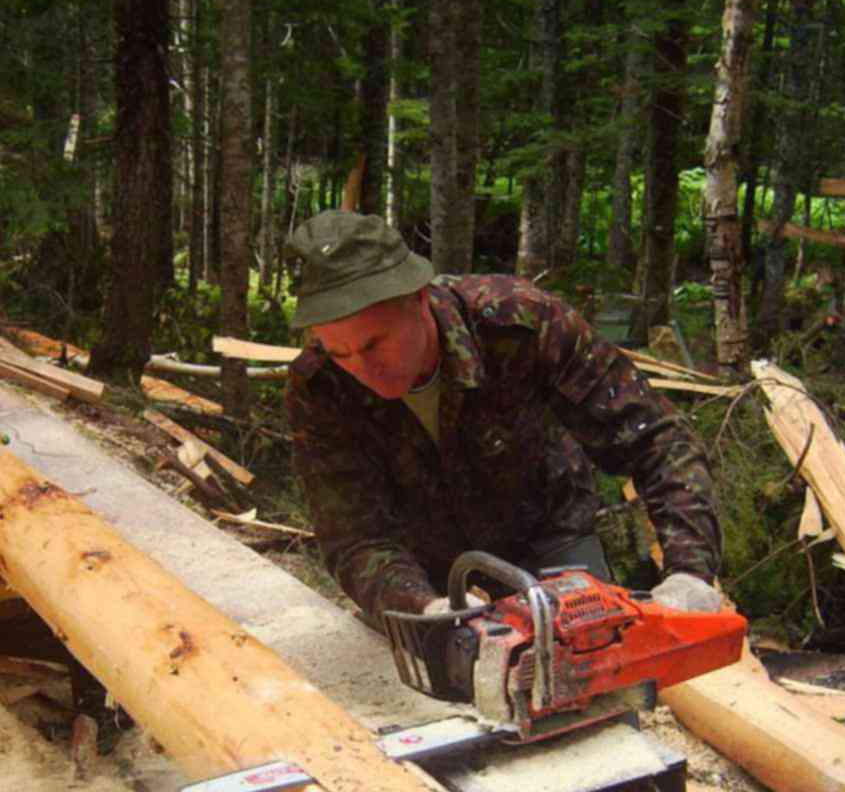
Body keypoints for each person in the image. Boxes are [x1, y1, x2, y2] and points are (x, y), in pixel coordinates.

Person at [281, 209, 724, 621]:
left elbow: (656, 438)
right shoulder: (320, 386)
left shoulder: (520, 322)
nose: (362, 366)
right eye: (341, 352)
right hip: (424, 570)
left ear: (418, 299)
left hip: (549, 535)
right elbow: (355, 538)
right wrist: (424, 606)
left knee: (593, 677)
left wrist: (690, 572)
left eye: (375, 343)